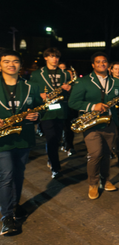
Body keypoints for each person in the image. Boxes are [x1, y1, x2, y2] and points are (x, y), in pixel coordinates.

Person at [68, 52, 119, 200]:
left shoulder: (117, 82)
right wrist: (92, 106)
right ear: (93, 65)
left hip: (109, 123)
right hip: (91, 124)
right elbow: (73, 102)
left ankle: (105, 180)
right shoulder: (83, 82)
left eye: (104, 62)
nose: (102, 64)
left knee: (106, 154)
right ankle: (93, 183)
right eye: (98, 62)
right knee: (95, 154)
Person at [0, 50, 41, 235]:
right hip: (2, 141)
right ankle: (6, 217)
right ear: (0, 65)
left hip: (24, 138)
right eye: (6, 61)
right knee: (6, 177)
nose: (11, 64)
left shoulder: (31, 87)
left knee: (18, 175)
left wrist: (37, 115)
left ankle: (15, 205)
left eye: (15, 61)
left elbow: (43, 108)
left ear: (20, 65)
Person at [30, 48, 72, 178]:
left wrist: (69, 89)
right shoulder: (37, 74)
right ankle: (55, 167)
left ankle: (52, 158)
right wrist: (39, 95)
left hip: (60, 110)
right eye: (52, 56)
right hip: (46, 111)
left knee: (57, 139)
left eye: (57, 57)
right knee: (51, 138)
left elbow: (71, 92)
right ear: (46, 58)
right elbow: (31, 92)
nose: (55, 59)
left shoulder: (65, 74)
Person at [108, 61, 119, 165]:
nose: (118, 71)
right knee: (115, 133)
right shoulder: (109, 81)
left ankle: (112, 150)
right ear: (111, 69)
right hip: (112, 110)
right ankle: (118, 154)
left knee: (116, 132)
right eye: (116, 68)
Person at [58, 62, 76, 156]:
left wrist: (70, 89)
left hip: (70, 108)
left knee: (69, 128)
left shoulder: (73, 82)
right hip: (58, 107)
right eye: (60, 68)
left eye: (64, 68)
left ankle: (69, 146)